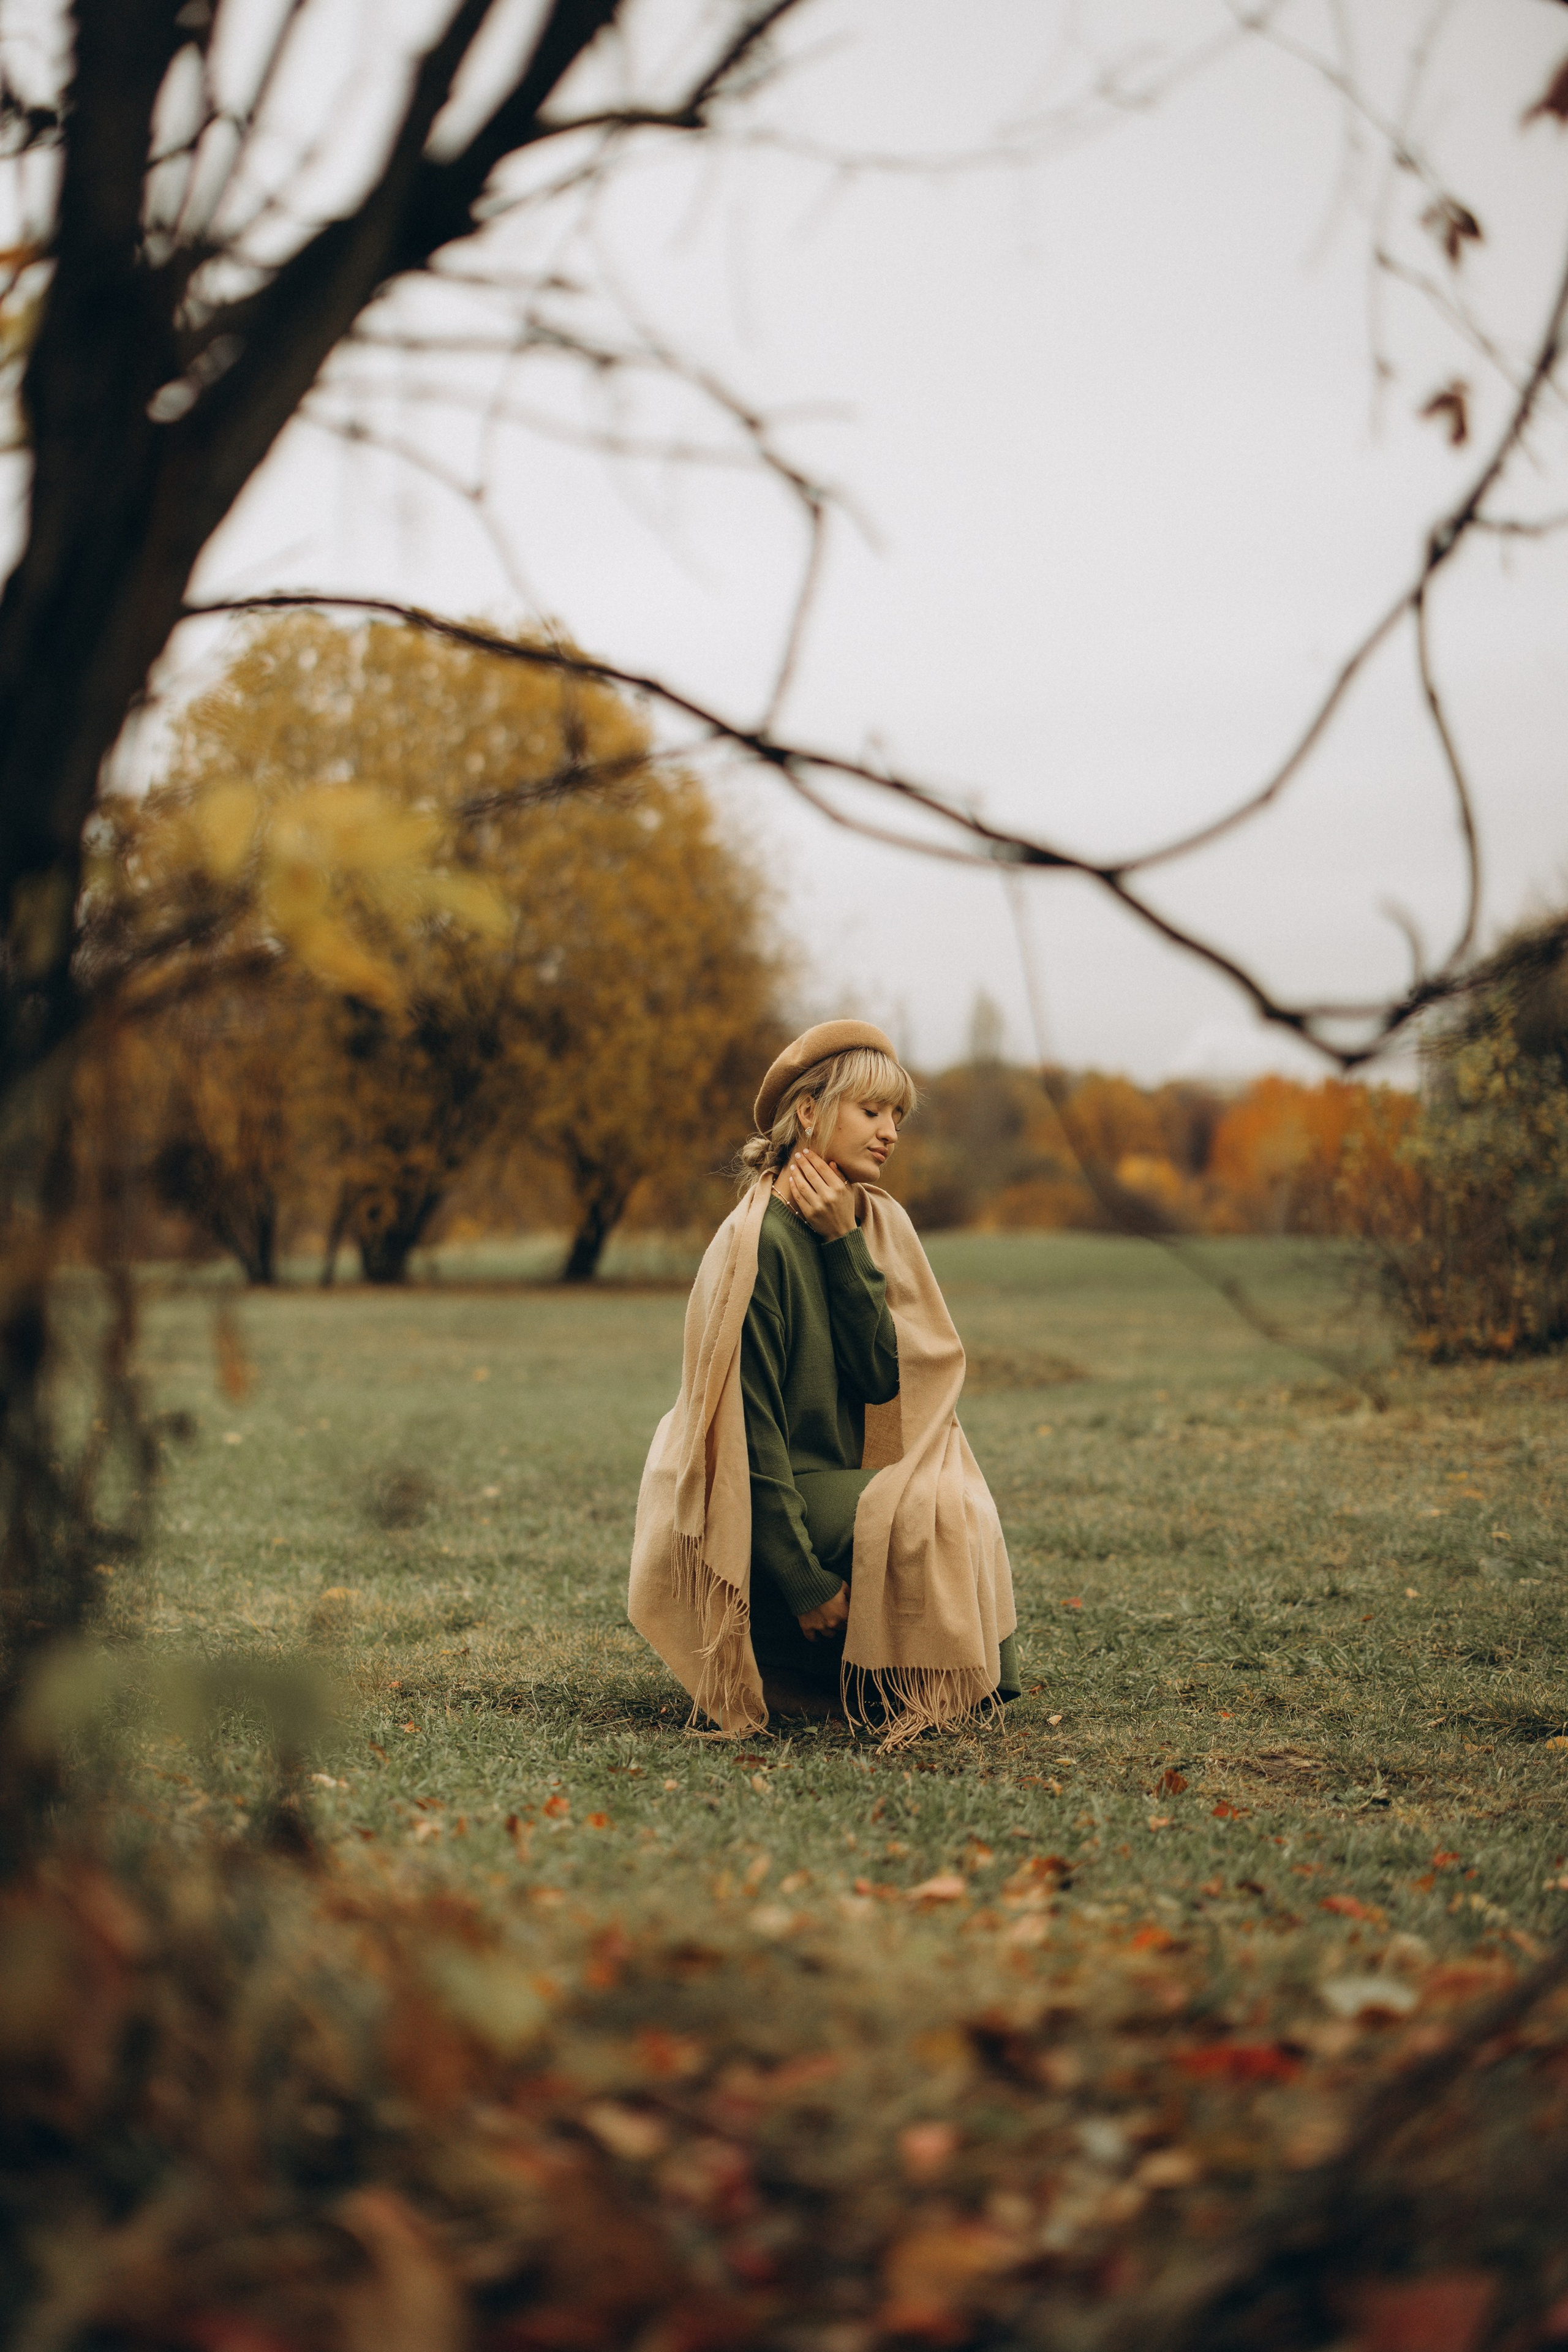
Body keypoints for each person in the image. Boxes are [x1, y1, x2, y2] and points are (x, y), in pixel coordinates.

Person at [628, 1020, 1020, 1749]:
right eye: (871, 1112)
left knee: (952, 1490)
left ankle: (926, 1678)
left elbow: (881, 1380)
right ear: (808, 1112)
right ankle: (880, 1674)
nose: (890, 1133)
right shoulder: (759, 1242)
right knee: (936, 1507)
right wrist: (804, 1582)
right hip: (745, 1498)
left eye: (897, 1116)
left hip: (826, 1479)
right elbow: (747, 1437)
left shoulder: (863, 1223)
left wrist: (845, 1245)